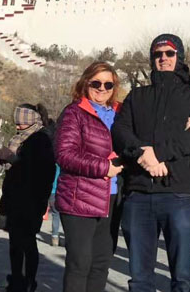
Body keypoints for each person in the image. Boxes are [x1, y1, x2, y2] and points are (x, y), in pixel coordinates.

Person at [112, 34, 190, 292]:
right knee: (140, 278)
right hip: (139, 194)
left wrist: (159, 153)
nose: (163, 58)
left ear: (180, 57)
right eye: (158, 54)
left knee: (182, 276)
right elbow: (120, 132)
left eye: (169, 53)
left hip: (177, 193)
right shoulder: (137, 95)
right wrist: (143, 155)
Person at [54, 62, 123, 292]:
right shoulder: (74, 113)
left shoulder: (120, 112)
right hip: (79, 198)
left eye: (108, 84)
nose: (102, 88)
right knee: (80, 263)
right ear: (86, 83)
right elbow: (65, 154)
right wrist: (103, 167)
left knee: (101, 263)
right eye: (96, 83)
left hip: (111, 197)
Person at [0, 103, 56, 292]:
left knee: (27, 243)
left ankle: (28, 282)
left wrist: (12, 160)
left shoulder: (41, 139)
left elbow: (40, 172)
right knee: (15, 243)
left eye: (20, 123)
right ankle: (16, 280)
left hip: (30, 200)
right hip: (15, 198)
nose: (17, 127)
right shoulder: (23, 138)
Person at [48, 164, 62, 246]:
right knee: (65, 216)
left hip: (52, 192)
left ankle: (54, 237)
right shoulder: (65, 165)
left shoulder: (53, 164)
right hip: (63, 191)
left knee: (55, 215)